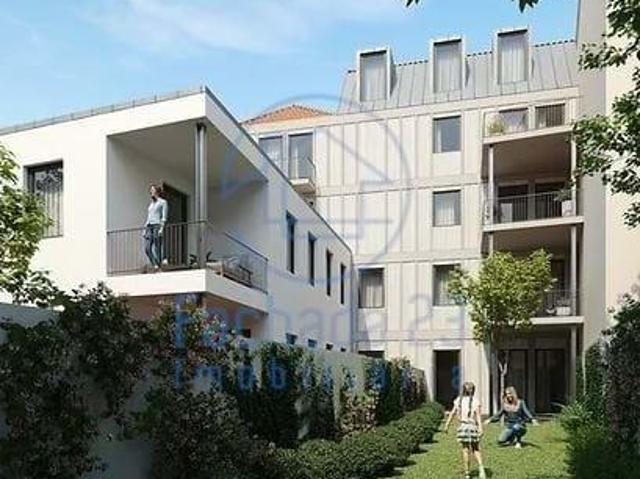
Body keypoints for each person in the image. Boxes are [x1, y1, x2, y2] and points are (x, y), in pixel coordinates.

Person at [444, 382, 487, 479]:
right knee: (476, 448)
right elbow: (478, 416)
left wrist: (447, 425)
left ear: (463, 390)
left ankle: (467, 473)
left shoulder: (458, 400)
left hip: (463, 427)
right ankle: (481, 468)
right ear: (473, 391)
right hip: (472, 427)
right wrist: (480, 428)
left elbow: (452, 413)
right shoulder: (476, 401)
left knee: (465, 450)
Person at [144, 184, 168, 270]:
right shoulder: (151, 205)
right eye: (150, 190)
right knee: (147, 248)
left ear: (157, 192)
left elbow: (164, 217)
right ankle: (154, 264)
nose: (151, 192)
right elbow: (148, 217)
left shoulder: (163, 202)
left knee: (157, 247)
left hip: (157, 225)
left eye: (152, 190)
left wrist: (161, 228)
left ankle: (159, 264)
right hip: (149, 226)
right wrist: (144, 230)